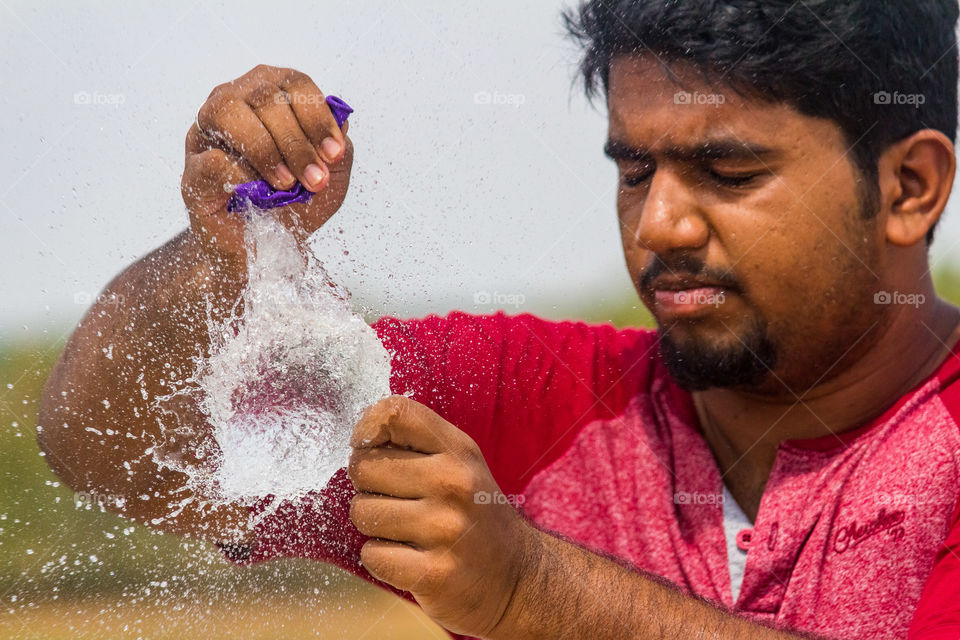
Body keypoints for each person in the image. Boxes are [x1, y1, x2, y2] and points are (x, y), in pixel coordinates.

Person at [38, 1, 960, 638]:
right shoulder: (537, 398)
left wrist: (533, 593)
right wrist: (219, 258)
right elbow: (110, 442)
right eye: (635, 171)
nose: (660, 223)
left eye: (729, 173)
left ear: (908, 187)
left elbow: (535, 589)